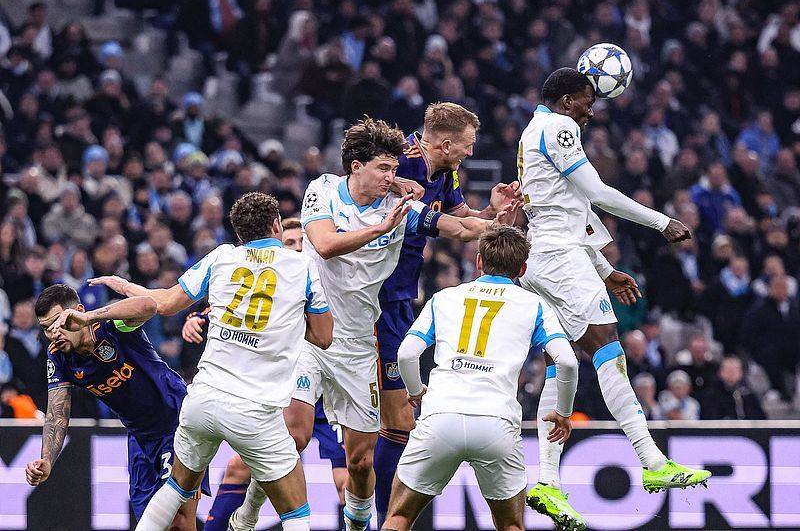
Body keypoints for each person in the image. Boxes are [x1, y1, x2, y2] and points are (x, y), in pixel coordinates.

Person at [236, 117, 518, 531]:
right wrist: (381, 229)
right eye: (384, 169)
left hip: (357, 343)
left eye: (394, 169)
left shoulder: (402, 209)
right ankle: (248, 513)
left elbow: (458, 227)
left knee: (360, 460)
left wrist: (498, 221)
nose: (392, 177)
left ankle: (357, 523)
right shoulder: (323, 190)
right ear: (356, 167)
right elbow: (325, 245)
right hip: (309, 333)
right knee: (294, 436)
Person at [517, 68, 711, 526]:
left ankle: (548, 481)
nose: (591, 111)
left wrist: (604, 270)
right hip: (561, 259)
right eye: (587, 102)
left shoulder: (531, 132)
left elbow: (567, 208)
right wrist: (661, 222)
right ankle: (651, 460)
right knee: (608, 349)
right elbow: (597, 194)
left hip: (542, 258)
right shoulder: (559, 127)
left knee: (561, 363)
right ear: (567, 101)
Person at [90, 192, 333, 531]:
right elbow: (323, 336)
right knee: (296, 514)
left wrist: (126, 286)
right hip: (253, 411)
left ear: (239, 234)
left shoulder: (221, 256)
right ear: (277, 225)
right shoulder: (302, 265)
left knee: (176, 489)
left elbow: (165, 304)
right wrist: (282, 322)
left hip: (202, 400)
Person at [374, 101, 521, 524]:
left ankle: (379, 518)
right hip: (371, 297)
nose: (470, 152)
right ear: (444, 144)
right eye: (467, 145)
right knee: (393, 422)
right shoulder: (400, 161)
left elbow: (460, 219)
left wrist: (492, 213)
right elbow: (456, 229)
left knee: (396, 424)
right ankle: (382, 517)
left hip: (399, 296)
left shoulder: (444, 171)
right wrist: (508, 231)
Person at [381, 225, 578, 531]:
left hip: (441, 416)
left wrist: (415, 390)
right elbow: (567, 361)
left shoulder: (444, 298)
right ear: (522, 269)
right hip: (496, 422)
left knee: (399, 517)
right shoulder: (534, 305)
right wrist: (563, 412)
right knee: (511, 526)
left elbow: (406, 354)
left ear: (479, 261)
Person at [185, 218, 348, 531]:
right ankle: (240, 517)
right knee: (243, 465)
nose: (297, 248)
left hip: (331, 389)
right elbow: (233, 308)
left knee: (349, 479)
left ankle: (248, 514)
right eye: (290, 243)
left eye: (303, 243)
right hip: (285, 385)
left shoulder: (327, 275)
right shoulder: (274, 279)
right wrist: (196, 318)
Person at [26, 285, 209, 528]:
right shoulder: (58, 356)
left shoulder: (111, 326)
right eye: (47, 328)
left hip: (176, 421)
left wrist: (90, 317)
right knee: (151, 523)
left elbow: (148, 305)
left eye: (59, 322)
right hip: (140, 438)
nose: (54, 333)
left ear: (77, 311)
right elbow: (57, 414)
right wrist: (47, 460)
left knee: (179, 518)